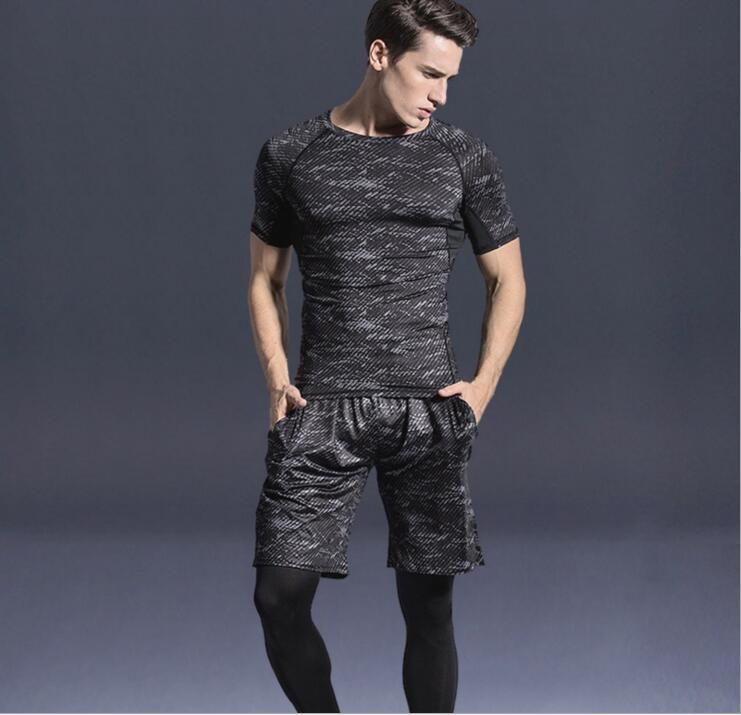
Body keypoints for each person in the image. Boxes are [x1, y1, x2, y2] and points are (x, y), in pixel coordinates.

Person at [247, 0, 526, 711]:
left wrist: (482, 388)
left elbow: (508, 280)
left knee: (429, 608)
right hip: (321, 408)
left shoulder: (462, 157)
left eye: (451, 79)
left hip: (427, 411)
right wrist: (277, 377)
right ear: (380, 55)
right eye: (429, 73)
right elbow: (265, 278)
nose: (441, 94)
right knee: (278, 596)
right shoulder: (291, 154)